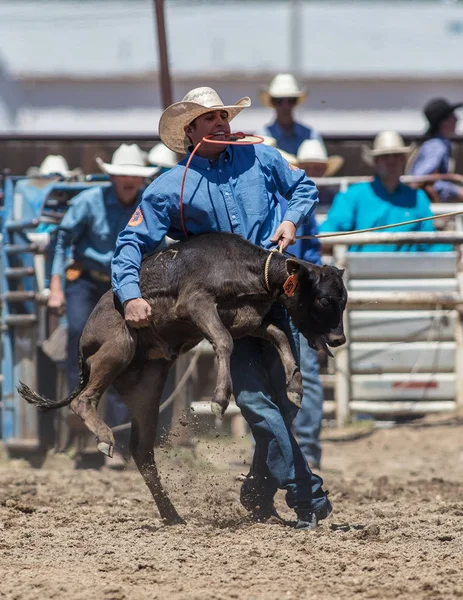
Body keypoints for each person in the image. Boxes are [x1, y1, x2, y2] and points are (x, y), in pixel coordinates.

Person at [111, 86, 332, 529]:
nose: (221, 124)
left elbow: (302, 186)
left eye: (223, 116)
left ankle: (256, 488)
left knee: (284, 408)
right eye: (210, 119)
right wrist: (130, 293)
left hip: (278, 292)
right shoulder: (169, 186)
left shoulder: (261, 157)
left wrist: (290, 219)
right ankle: (308, 494)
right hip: (230, 311)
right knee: (256, 401)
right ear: (190, 131)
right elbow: (130, 242)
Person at [48, 144, 157, 466]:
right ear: (113, 176)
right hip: (86, 279)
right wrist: (56, 286)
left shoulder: (147, 205)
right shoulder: (89, 201)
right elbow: (61, 240)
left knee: (129, 354)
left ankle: (118, 442)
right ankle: (80, 435)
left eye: (134, 176)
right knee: (80, 344)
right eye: (123, 174)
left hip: (126, 285)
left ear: (140, 180)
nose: (128, 180)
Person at [289, 139, 344, 470]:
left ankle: (307, 447)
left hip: (296, 297)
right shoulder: (294, 205)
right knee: (275, 372)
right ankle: (269, 447)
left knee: (305, 369)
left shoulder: (300, 208)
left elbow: (311, 257)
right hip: (272, 293)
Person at [320, 130, 452, 252]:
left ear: (404, 160)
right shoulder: (353, 195)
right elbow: (329, 231)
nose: (392, 161)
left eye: (397, 156)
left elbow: (429, 242)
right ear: (376, 161)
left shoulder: (418, 197)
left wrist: (451, 249)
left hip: (411, 274)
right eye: (385, 156)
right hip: (362, 274)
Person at [409, 98, 463, 202]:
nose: (457, 119)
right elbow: (419, 179)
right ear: (443, 122)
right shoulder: (436, 145)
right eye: (452, 116)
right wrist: (457, 191)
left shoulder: (440, 144)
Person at [260, 73, 322, 156]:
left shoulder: (310, 135)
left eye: (291, 100)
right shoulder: (262, 136)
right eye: (279, 100)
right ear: (272, 102)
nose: (285, 105)